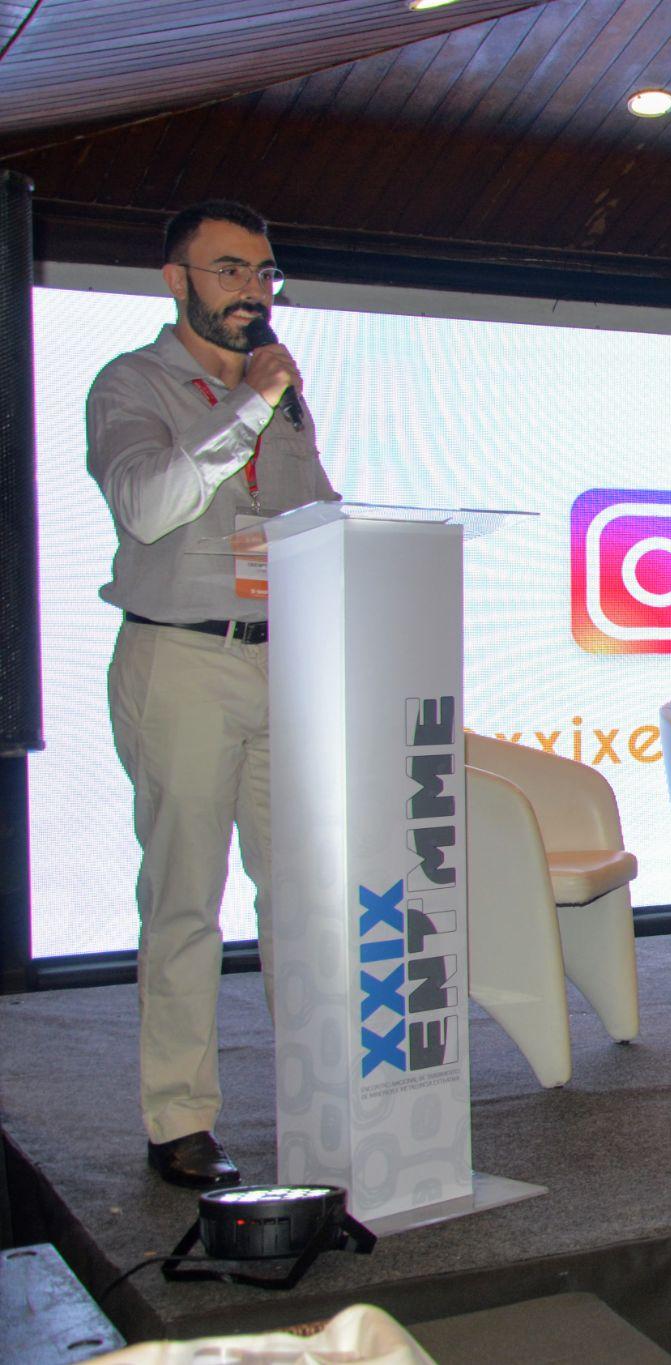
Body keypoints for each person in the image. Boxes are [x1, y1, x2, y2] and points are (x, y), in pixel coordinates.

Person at [86, 200, 334, 1188]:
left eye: (264, 272)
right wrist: (250, 405)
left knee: (302, 895)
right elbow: (149, 504)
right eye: (229, 269)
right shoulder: (132, 384)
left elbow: (312, 514)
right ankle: (179, 1118)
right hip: (182, 659)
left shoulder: (285, 396)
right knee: (186, 896)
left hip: (288, 663)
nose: (252, 290)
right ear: (175, 279)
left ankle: (320, 1095)